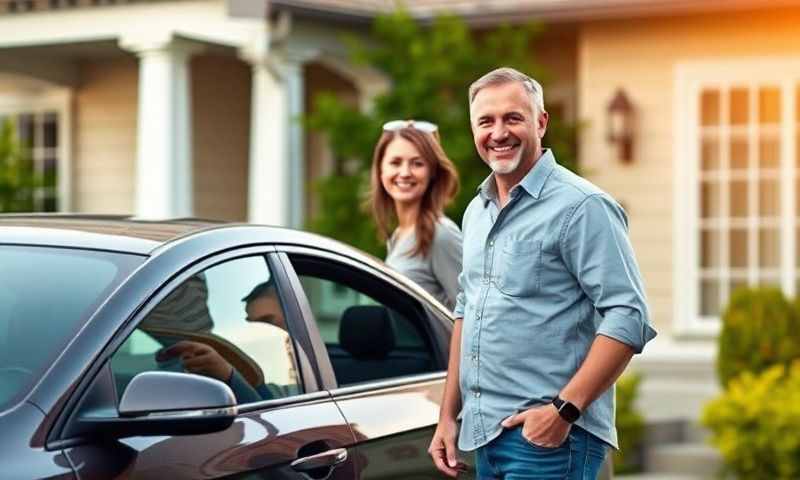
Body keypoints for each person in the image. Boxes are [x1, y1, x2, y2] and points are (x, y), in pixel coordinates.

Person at [427, 67, 657, 480]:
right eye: (486, 121)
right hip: (485, 437)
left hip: (551, 442)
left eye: (513, 118)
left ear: (541, 122)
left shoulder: (583, 206)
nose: (499, 132)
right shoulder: (477, 211)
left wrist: (563, 410)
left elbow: (629, 315)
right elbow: (467, 307)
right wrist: (448, 416)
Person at [369, 120, 463, 310]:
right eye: (395, 163)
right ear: (381, 170)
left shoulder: (440, 233)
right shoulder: (397, 236)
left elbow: (470, 313)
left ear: (433, 173)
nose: (405, 173)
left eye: (417, 163)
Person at [156, 278, 296, 403]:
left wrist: (227, 375)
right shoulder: (262, 374)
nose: (259, 331)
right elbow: (266, 403)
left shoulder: (305, 380)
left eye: (267, 321)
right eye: (250, 323)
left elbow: (269, 417)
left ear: (298, 320)